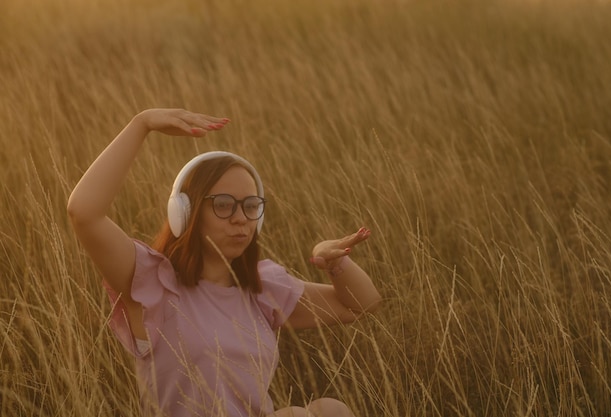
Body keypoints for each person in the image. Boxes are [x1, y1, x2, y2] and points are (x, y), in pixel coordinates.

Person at [67, 108, 382, 417]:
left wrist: (334, 262)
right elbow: (84, 212)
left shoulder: (261, 287)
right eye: (223, 205)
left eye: (250, 206)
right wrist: (142, 124)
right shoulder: (151, 283)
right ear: (185, 213)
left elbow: (359, 305)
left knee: (331, 410)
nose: (240, 219)